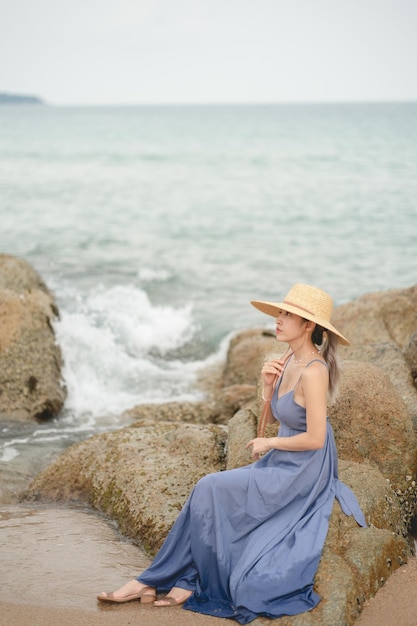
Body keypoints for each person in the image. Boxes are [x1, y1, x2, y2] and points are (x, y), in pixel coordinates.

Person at [97, 283, 366, 623]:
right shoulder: (286, 361)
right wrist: (268, 389)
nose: (278, 320)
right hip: (283, 460)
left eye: (286, 315)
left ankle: (163, 580)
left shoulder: (314, 371)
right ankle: (166, 580)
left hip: (304, 470)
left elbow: (314, 438)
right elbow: (273, 420)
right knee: (209, 490)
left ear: (308, 325)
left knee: (210, 487)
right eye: (279, 313)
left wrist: (270, 444)